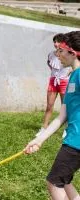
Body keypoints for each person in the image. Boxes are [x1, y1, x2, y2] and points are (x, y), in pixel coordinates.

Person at [25, 31, 80, 200]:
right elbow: (61, 116)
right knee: (65, 180)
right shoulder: (72, 76)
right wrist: (39, 140)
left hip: (77, 142)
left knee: (54, 182)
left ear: (73, 53)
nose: (57, 55)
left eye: (61, 51)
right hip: (73, 139)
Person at [36, 34, 72, 137]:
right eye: (54, 41)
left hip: (64, 82)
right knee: (49, 105)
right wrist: (54, 73)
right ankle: (44, 128)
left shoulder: (67, 54)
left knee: (64, 107)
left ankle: (67, 129)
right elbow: (49, 63)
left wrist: (68, 72)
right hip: (53, 81)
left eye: (58, 41)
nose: (56, 44)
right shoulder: (51, 54)